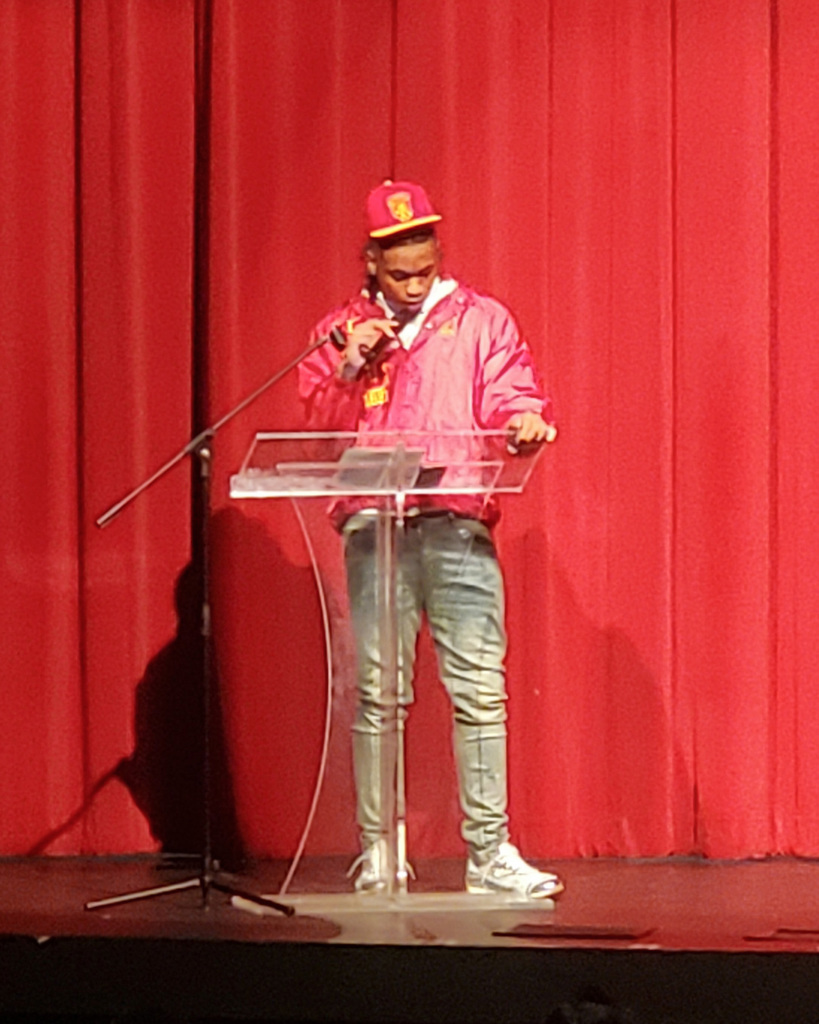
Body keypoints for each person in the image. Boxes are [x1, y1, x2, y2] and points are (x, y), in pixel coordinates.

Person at [298, 180, 562, 899]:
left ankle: (490, 854)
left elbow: (510, 394)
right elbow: (315, 427)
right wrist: (349, 363)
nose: (414, 286)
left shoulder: (479, 320)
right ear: (372, 264)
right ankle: (379, 852)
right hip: (375, 526)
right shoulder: (341, 329)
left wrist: (522, 421)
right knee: (378, 694)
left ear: (438, 254)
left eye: (424, 269)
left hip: (455, 521)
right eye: (399, 274)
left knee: (479, 688)